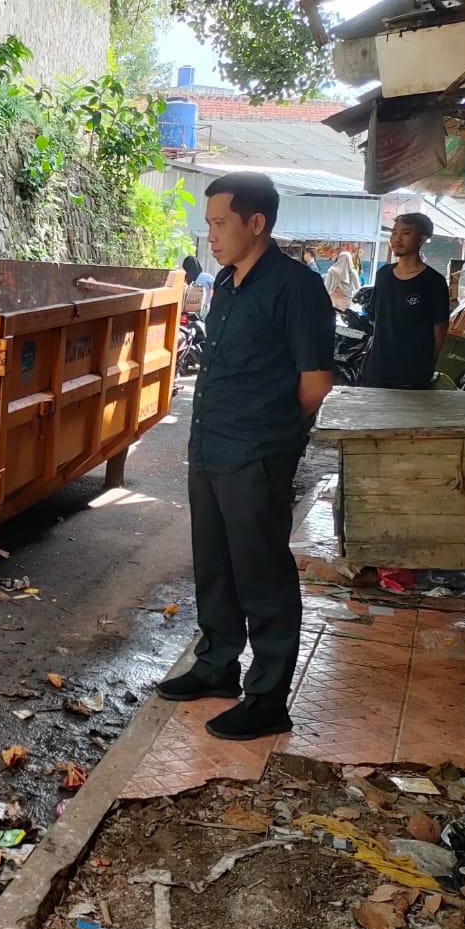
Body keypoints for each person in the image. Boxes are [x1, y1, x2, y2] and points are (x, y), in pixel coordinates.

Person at [159, 172, 335, 741]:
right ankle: (217, 666)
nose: (210, 234)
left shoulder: (296, 288)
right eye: (208, 223)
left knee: (262, 574)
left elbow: (315, 382)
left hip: (256, 452)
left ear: (255, 223)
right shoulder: (229, 283)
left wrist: (273, 432)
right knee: (215, 566)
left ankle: (267, 698)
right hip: (210, 448)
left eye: (219, 223)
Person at [360, 213, 450, 389]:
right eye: (394, 233)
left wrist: (429, 363)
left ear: (421, 239)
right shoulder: (383, 274)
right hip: (376, 368)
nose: (397, 239)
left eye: (406, 233)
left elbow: (441, 326)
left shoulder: (434, 281)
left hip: (412, 374)